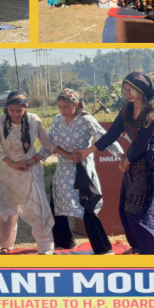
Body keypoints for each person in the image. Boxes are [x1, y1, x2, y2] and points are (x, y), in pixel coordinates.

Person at [77, 72, 154, 255]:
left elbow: (144, 143)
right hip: (134, 163)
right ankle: (137, 247)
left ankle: (151, 253)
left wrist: (127, 161)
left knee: (139, 211)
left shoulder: (151, 112)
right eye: (125, 90)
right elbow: (111, 135)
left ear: (142, 90)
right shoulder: (127, 109)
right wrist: (88, 151)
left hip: (149, 163)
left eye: (131, 90)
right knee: (125, 208)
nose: (127, 94)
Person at [48, 89, 123, 253]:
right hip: (62, 170)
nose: (63, 110)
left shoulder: (86, 120)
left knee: (86, 206)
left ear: (76, 105)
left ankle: (102, 248)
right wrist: (33, 159)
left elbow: (105, 138)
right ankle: (64, 241)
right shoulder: (56, 121)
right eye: (60, 106)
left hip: (81, 170)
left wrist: (121, 155)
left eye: (67, 107)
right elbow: (49, 144)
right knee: (57, 204)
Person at [0, 92, 56, 255]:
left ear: (26, 108)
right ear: (7, 108)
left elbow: (47, 145)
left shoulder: (34, 120)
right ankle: (5, 245)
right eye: (12, 110)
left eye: (20, 111)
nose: (16, 114)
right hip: (7, 171)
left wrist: (34, 159)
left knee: (38, 208)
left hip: (30, 170)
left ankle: (45, 246)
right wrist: (13, 163)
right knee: (6, 209)